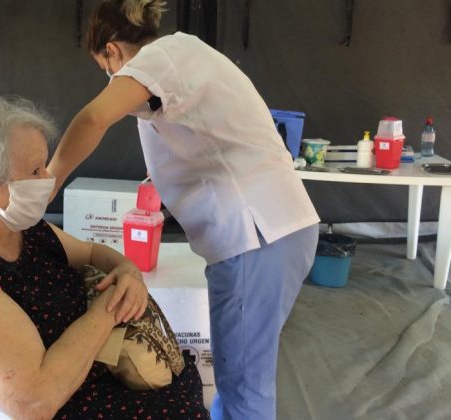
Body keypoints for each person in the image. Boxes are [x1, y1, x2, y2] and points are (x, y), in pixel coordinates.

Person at [46, 1, 320, 419]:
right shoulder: (184, 59)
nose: (109, 76)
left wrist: (46, 186)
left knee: (245, 387)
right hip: (278, 229)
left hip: (255, 235)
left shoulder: (161, 59)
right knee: (243, 375)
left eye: (104, 64)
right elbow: (203, 139)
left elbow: (92, 119)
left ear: (113, 51)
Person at [0, 96, 209, 419]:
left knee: (177, 387)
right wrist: (109, 310)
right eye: (35, 170)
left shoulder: (9, 219)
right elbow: (34, 403)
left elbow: (92, 251)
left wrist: (127, 270)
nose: (47, 179)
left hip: (75, 376)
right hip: (27, 404)